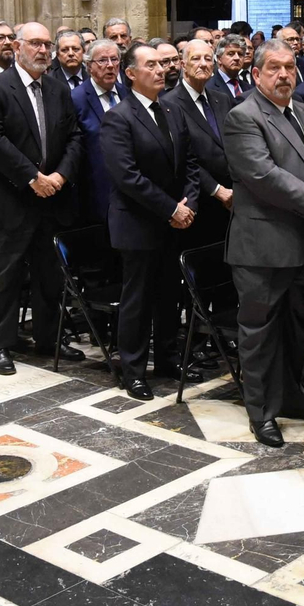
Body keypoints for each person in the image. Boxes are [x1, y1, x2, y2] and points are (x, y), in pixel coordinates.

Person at [223, 40, 304, 447]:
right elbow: (261, 174)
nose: (283, 75)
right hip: (263, 245)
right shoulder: (244, 116)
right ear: (256, 74)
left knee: (296, 330)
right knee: (260, 332)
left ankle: (293, 396)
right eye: (273, 68)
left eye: (290, 68)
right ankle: (261, 412)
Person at [0, 22, 85, 375]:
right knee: (4, 275)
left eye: (47, 44)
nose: (43, 50)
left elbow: (74, 136)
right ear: (18, 47)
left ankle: (48, 338)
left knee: (49, 274)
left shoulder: (55, 88)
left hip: (51, 196)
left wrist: (59, 176)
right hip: (10, 198)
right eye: (36, 43)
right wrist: (32, 177)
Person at [100, 42, 204, 399]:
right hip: (139, 223)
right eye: (151, 66)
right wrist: (170, 208)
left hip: (174, 220)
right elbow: (127, 177)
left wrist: (188, 201)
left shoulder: (172, 110)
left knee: (169, 296)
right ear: (130, 74)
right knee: (138, 299)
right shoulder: (119, 117)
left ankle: (167, 358)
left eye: (162, 65)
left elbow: (190, 161)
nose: (161, 71)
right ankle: (133, 369)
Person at [161, 38, 234, 250]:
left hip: (232, 200)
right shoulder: (168, 104)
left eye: (208, 58)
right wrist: (216, 189)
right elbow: (182, 156)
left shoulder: (223, 99)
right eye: (196, 58)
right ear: (183, 65)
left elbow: (233, 145)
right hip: (197, 200)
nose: (203, 63)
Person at [72, 38, 123, 230]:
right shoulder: (76, 99)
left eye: (114, 59)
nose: (110, 65)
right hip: (94, 192)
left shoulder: (128, 94)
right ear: (88, 66)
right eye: (102, 61)